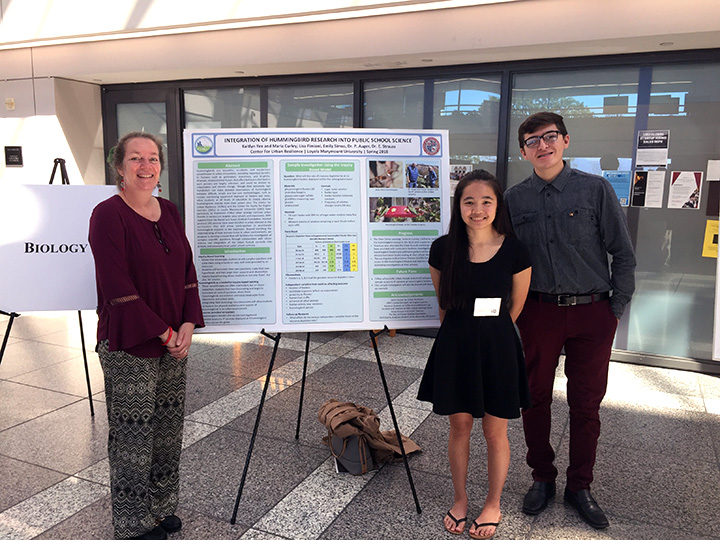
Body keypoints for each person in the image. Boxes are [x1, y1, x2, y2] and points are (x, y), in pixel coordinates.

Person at [505, 112, 636, 530]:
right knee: (534, 398)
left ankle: (581, 486)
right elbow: (504, 260)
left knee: (586, 405)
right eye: (532, 141)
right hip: (538, 312)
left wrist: (614, 311)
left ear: (564, 141)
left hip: (593, 312)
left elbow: (624, 254)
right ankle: (542, 478)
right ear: (523, 151)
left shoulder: (594, 190)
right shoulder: (513, 200)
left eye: (549, 137)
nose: (541, 146)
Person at [89, 132, 205, 540]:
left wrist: (188, 325)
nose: (146, 166)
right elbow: (116, 286)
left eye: (153, 158)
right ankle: (132, 522)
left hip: (175, 343)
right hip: (130, 343)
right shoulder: (107, 215)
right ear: (119, 167)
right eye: (135, 158)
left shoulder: (169, 211)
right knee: (132, 434)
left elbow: (187, 272)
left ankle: (160, 506)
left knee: (167, 430)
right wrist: (165, 330)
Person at [417, 170, 532, 540]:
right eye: (469, 201)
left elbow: (515, 307)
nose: (478, 209)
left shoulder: (516, 250)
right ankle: (461, 498)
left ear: (498, 206)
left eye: (486, 201)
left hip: (498, 347)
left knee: (495, 430)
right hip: (456, 345)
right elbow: (443, 304)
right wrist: (464, 332)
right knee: (460, 426)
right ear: (458, 205)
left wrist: (489, 331)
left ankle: (493, 502)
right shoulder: (442, 248)